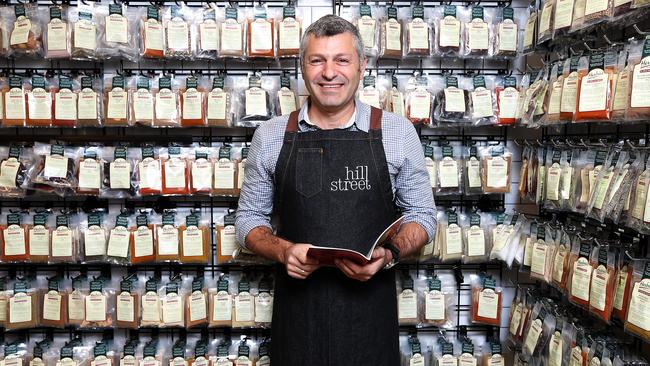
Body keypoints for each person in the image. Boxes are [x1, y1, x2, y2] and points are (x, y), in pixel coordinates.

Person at [235, 14, 437, 365]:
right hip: (298, 322)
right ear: (302, 68)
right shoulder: (269, 136)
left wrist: (388, 255)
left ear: (361, 68)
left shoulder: (397, 132)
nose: (329, 73)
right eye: (318, 60)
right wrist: (283, 251)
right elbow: (248, 221)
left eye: (342, 60)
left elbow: (423, 216)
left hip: (369, 321)